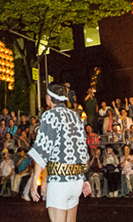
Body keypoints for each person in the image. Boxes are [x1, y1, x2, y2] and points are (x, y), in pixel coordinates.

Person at [29, 83, 90, 222]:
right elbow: (82, 149)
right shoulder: (75, 116)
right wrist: (85, 178)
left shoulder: (50, 115)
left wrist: (35, 180)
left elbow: (42, 150)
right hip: (76, 180)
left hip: (59, 181)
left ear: (48, 98)